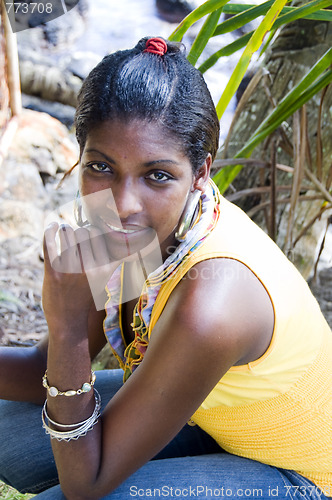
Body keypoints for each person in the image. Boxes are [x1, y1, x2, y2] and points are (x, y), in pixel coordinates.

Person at [0, 36, 331, 500]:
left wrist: (70, 326)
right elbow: (42, 366)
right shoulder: (139, 227)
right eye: (101, 166)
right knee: (7, 432)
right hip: (210, 420)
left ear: (200, 173)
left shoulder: (213, 298)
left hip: (300, 475)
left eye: (157, 175)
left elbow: (85, 484)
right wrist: (69, 334)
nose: (123, 203)